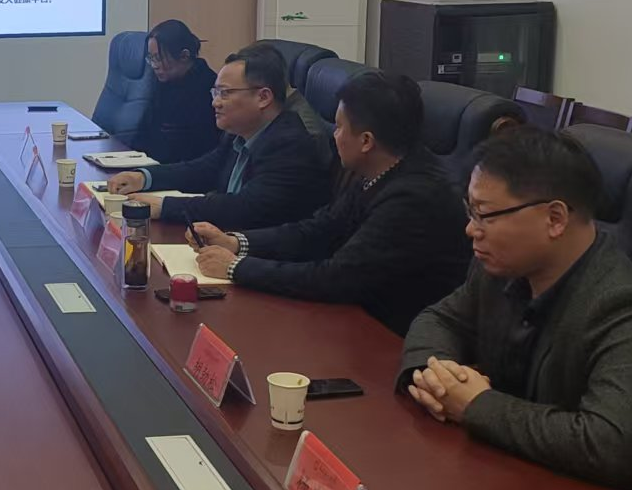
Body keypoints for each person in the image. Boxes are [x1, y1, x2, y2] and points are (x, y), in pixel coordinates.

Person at [398, 127, 632, 490]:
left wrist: (474, 405)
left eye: (484, 214)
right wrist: (437, 377)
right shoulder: (500, 268)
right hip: (531, 483)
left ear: (555, 218)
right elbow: (439, 319)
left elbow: (605, 445)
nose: (471, 229)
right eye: (471, 211)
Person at [189, 72, 470, 335]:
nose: (334, 135)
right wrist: (235, 242)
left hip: (389, 336)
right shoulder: (379, 170)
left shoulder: (413, 198)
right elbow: (317, 230)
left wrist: (235, 267)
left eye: (339, 127)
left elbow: (337, 278)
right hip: (354, 317)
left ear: (366, 141)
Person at [106, 46, 329, 231]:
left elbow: (244, 208)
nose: (215, 102)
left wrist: (165, 206)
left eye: (225, 93)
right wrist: (144, 177)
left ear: (263, 97)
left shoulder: (289, 144)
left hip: (261, 256)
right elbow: (202, 169)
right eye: (215, 93)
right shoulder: (240, 133)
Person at [136, 20, 218, 164]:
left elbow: (195, 150)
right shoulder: (163, 83)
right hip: (152, 165)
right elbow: (145, 132)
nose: (154, 65)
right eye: (151, 58)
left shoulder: (206, 88)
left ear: (184, 56)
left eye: (159, 58)